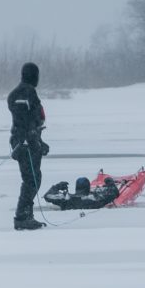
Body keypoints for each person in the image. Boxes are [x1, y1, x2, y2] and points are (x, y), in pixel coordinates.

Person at [7, 62, 50, 230]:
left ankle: (26, 214)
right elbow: (23, 120)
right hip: (24, 144)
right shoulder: (23, 93)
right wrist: (29, 140)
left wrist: (39, 141)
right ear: (33, 76)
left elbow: (31, 122)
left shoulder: (27, 92)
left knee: (34, 179)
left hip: (29, 142)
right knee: (31, 180)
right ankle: (22, 216)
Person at [44, 176, 120, 210]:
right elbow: (114, 192)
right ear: (88, 187)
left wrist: (58, 186)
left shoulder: (67, 198)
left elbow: (47, 196)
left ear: (77, 187)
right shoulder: (95, 198)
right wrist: (109, 182)